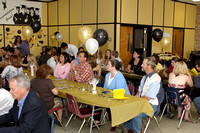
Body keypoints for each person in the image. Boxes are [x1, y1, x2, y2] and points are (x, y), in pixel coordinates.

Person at [125, 57, 161, 133]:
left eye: (143, 64)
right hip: (143, 101)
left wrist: (136, 102)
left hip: (153, 105)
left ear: (149, 66)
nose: (141, 65)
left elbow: (148, 97)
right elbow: (139, 92)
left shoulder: (155, 78)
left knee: (136, 113)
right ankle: (130, 128)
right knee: (125, 108)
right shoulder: (144, 77)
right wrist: (132, 100)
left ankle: (137, 131)